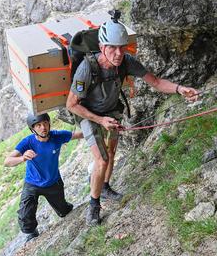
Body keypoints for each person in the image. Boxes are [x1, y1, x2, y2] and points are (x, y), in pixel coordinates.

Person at [66, 19, 199, 226]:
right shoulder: (87, 68)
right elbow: (72, 104)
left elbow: (155, 82)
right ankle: (94, 205)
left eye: (122, 48)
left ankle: (106, 187)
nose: (118, 53)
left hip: (112, 111)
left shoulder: (127, 62)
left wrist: (180, 89)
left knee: (110, 153)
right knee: (101, 160)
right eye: (112, 48)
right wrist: (100, 119)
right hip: (88, 114)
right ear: (102, 47)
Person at [4, 113, 83, 242]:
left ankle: (65, 207)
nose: (43, 127)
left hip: (53, 182)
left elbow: (79, 135)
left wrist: (100, 126)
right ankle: (32, 233)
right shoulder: (28, 142)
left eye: (45, 123)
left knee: (64, 211)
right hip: (32, 184)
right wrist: (22, 158)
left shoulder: (57, 136)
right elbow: (7, 161)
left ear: (49, 123)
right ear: (33, 129)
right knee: (25, 214)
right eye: (38, 125)